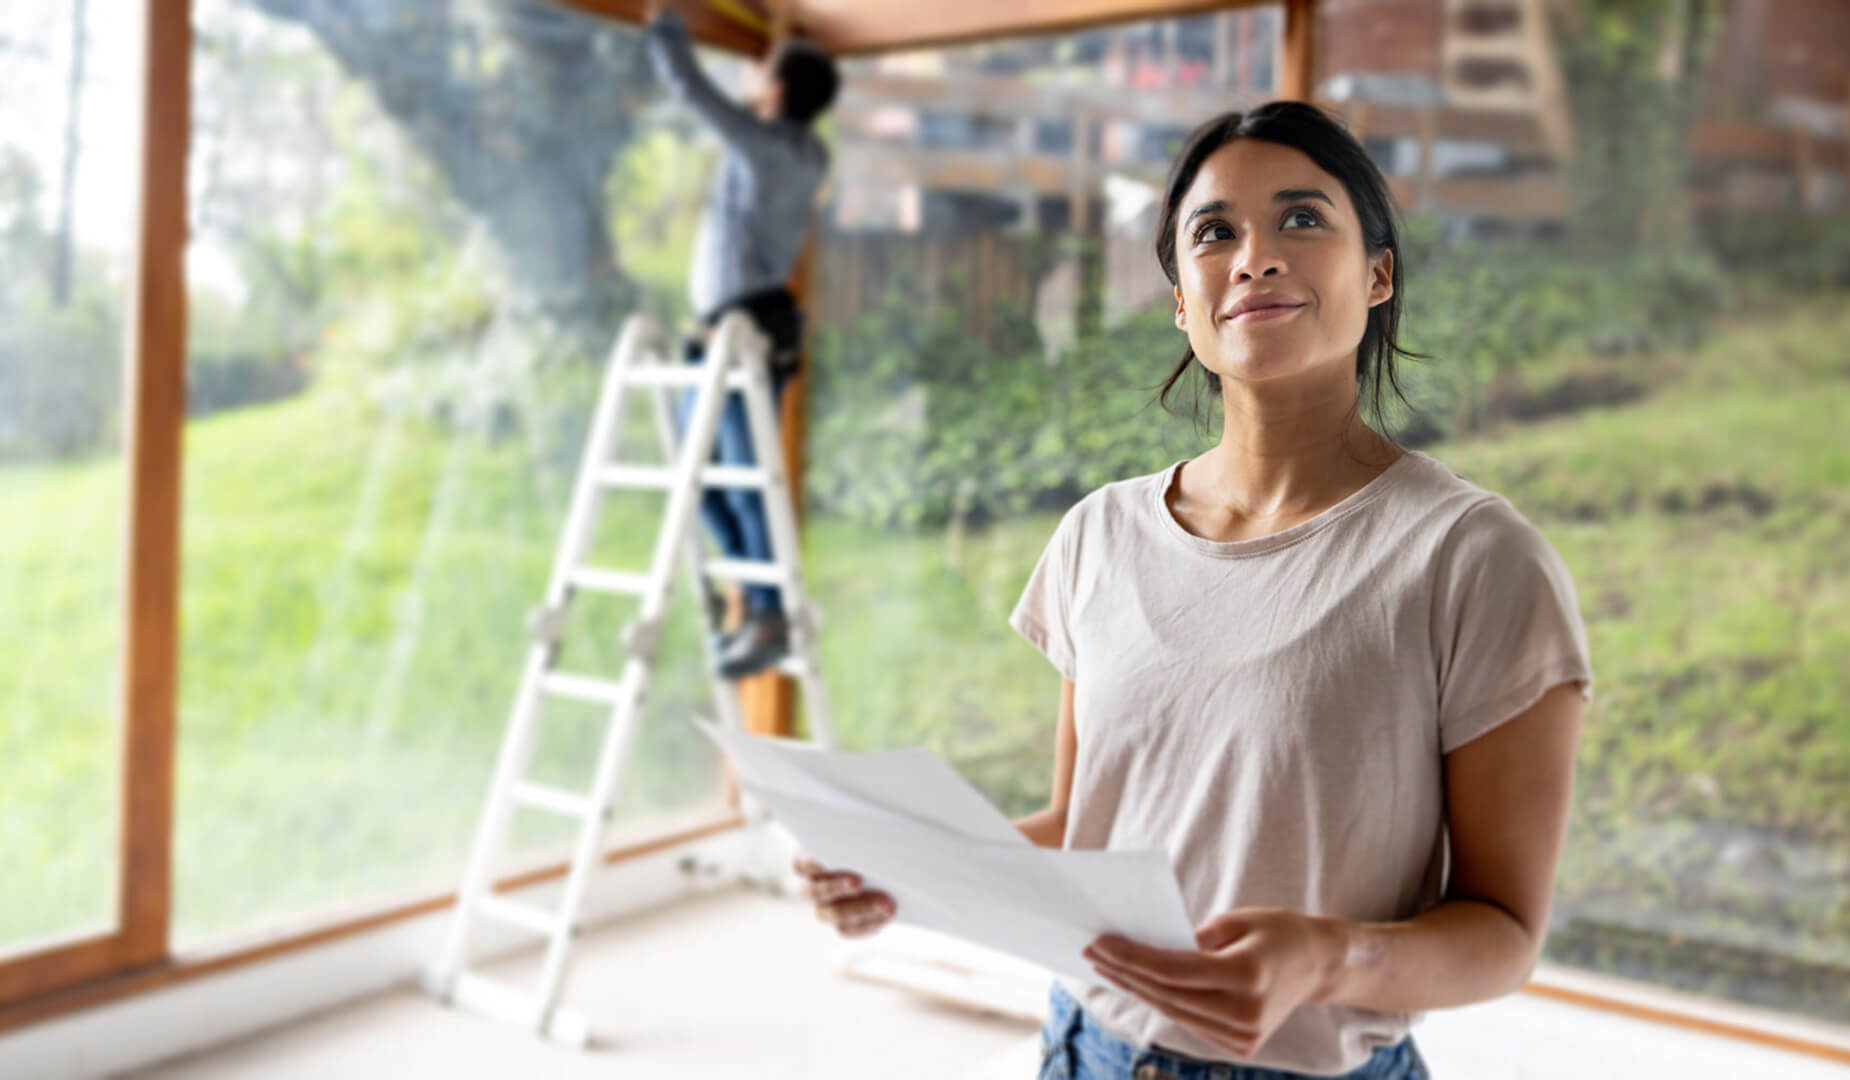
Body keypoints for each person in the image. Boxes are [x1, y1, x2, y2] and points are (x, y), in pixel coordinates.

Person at [793, 101, 1594, 1080]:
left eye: (1301, 219)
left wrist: (1327, 959)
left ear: (1377, 273)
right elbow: (1087, 824)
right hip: (1085, 1050)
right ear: (1179, 299)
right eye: (1213, 233)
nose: (1253, 256)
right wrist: (907, 869)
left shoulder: (1471, 558)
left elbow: (1502, 930)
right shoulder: (1099, 533)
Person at [643, 0, 839, 679]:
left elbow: (694, 92)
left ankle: (768, 614)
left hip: (745, 333)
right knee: (701, 483)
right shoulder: (806, 151)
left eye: (766, 74)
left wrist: (664, 23)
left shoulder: (767, 146)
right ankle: (760, 606)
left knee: (742, 484)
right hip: (733, 332)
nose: (756, 83)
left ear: (778, 90)